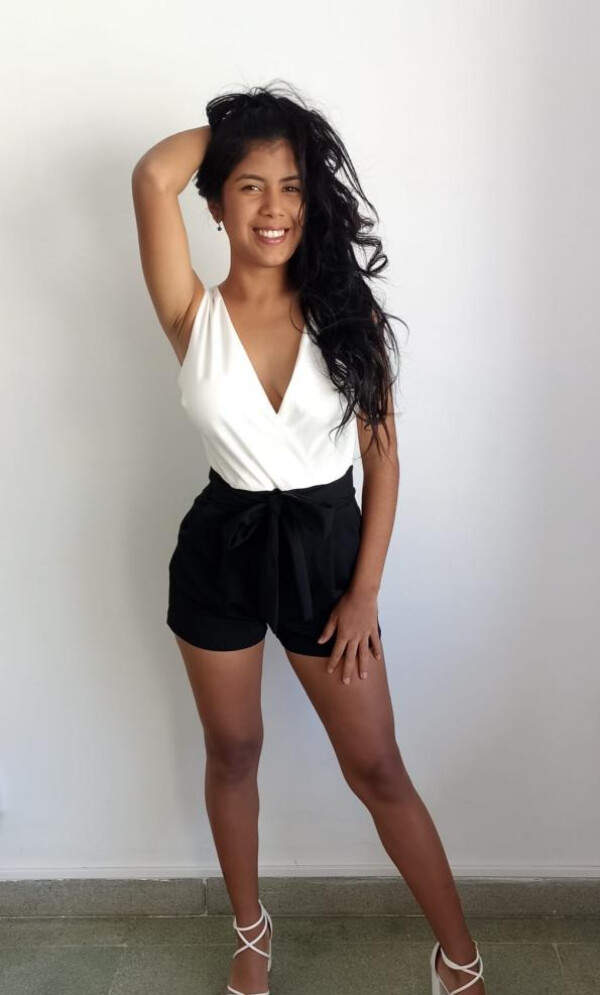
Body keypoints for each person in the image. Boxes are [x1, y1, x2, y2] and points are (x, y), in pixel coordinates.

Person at [131, 81, 486, 995]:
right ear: (216, 206)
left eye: (291, 185)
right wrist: (247, 127)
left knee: (378, 766)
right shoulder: (190, 312)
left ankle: (458, 958)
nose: (275, 206)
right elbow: (153, 173)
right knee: (233, 752)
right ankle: (251, 932)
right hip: (220, 548)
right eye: (250, 185)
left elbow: (383, 458)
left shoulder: (344, 313)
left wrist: (363, 592)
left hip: (329, 554)